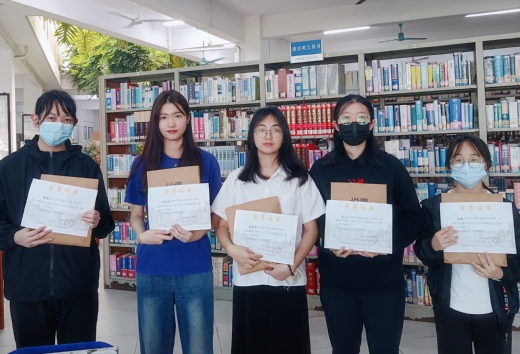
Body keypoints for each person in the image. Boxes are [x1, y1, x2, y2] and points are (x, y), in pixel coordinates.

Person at [0, 90, 114, 348]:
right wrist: (14, 236)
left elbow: (105, 226)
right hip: (27, 285)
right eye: (52, 118)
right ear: (36, 120)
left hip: (77, 285)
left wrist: (97, 220)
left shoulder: (87, 167)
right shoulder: (8, 168)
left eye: (66, 119)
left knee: (78, 351)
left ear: (74, 124)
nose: (59, 124)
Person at [308, 94, 423, 354]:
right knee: (343, 349)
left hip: (384, 283)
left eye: (361, 118)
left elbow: (413, 217)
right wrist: (327, 240)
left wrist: (386, 243)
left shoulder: (391, 167)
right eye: (346, 118)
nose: (354, 124)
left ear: (371, 124)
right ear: (335, 125)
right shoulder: (321, 169)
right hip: (337, 282)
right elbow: (311, 219)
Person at [212, 106, 325, 354]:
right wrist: (231, 249)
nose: (268, 136)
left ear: (284, 136)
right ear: (252, 136)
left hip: (287, 279)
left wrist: (291, 266)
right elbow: (221, 226)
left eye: (275, 130)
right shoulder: (236, 180)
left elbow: (311, 230)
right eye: (261, 130)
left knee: (289, 345)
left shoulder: (300, 179)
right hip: (248, 279)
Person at [124, 90, 222, 354]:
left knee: (199, 346)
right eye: (163, 117)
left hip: (194, 265)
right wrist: (142, 235)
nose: (171, 123)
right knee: (153, 346)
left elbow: (217, 213)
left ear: (188, 119)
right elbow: (135, 215)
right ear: (156, 122)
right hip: (153, 266)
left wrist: (198, 233)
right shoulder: (142, 164)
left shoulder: (206, 162)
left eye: (177, 116)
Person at [414, 134, 520, 354]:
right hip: (450, 307)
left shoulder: (503, 209)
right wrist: (434, 245)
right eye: (458, 160)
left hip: (494, 307)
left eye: (474, 159)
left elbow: (518, 262)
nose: (466, 166)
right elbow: (422, 252)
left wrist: (499, 273)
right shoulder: (433, 208)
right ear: (449, 166)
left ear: (486, 165)